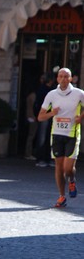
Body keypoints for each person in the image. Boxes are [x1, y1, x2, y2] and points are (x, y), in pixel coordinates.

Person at [37, 67, 84, 208]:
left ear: (70, 79)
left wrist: (80, 117)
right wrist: (52, 113)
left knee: (67, 168)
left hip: (72, 134)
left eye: (66, 76)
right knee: (58, 167)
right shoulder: (51, 95)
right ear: (57, 78)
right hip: (57, 134)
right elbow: (40, 117)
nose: (63, 78)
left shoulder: (79, 93)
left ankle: (72, 179)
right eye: (60, 76)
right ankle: (61, 196)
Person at [34, 73, 54, 167]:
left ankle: (46, 158)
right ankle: (41, 158)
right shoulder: (46, 90)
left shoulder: (43, 89)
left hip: (47, 115)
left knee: (47, 137)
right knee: (43, 138)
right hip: (46, 115)